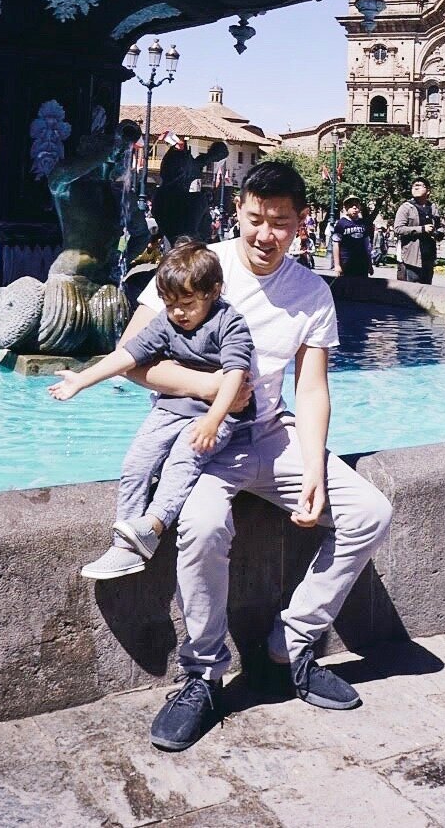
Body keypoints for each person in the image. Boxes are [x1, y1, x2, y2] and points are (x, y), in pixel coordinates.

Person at [122, 160, 392, 750]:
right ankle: (203, 674)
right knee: (199, 528)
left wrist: (317, 467)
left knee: (369, 513)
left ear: (301, 223)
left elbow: (313, 386)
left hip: (270, 434)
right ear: (238, 211)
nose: (265, 235)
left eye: (281, 223)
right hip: (202, 437)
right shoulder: (194, 268)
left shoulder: (311, 291)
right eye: (254, 220)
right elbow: (133, 358)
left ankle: (293, 643)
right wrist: (208, 389)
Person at [50, 241, 255, 580]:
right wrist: (82, 380)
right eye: (170, 303)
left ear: (213, 291)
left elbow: (235, 376)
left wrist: (212, 420)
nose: (178, 313)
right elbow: (127, 355)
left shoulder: (230, 323)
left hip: (218, 412)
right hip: (172, 406)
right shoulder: (168, 320)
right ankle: (125, 541)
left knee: (182, 459)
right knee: (136, 462)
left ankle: (152, 526)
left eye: (187, 303)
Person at [394, 178, 441, 284]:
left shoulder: (432, 207)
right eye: (414, 185)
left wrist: (439, 233)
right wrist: (422, 229)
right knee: (411, 290)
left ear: (428, 190)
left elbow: (439, 225)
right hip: (412, 258)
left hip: (428, 258)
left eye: (419, 185)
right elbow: (398, 228)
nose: (415, 187)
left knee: (426, 290)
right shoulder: (406, 207)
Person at [331, 197, 373, 278]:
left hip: (362, 263)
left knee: (362, 288)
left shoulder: (363, 223)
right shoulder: (341, 224)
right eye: (351, 206)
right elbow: (336, 244)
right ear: (346, 208)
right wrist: (337, 265)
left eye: (357, 206)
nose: (355, 208)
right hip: (346, 263)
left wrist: (370, 264)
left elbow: (367, 245)